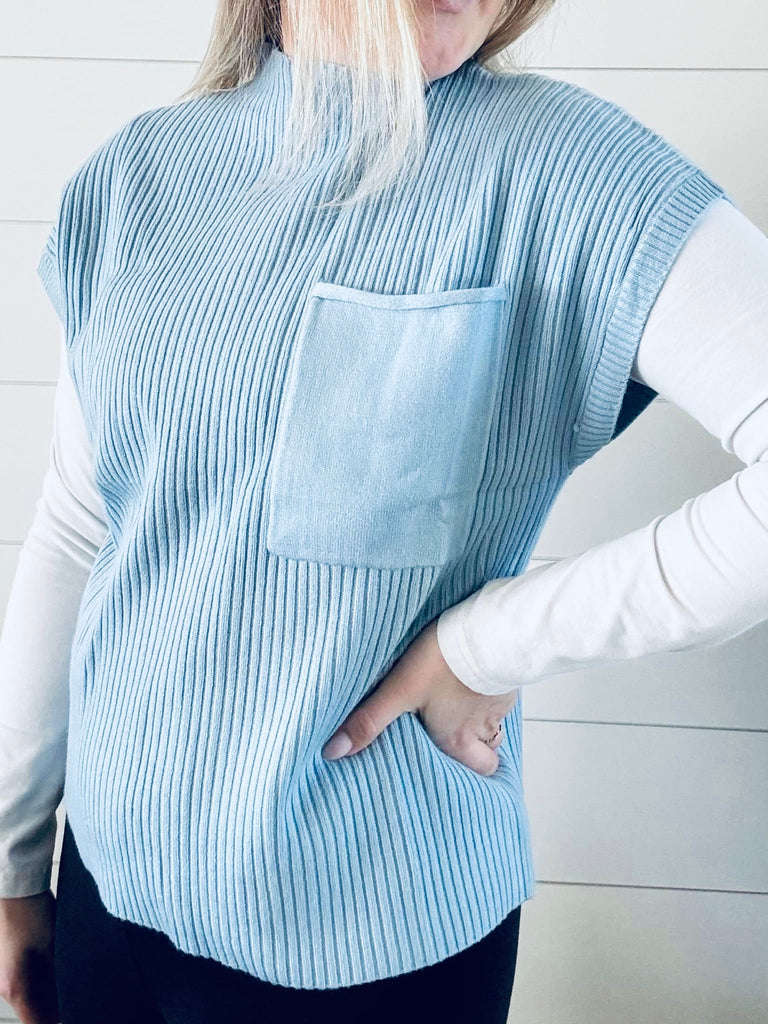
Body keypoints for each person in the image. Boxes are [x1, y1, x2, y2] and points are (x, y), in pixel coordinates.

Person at [1, 1, 767, 1021]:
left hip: (376, 948)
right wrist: (13, 855)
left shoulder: (574, 175)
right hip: (105, 894)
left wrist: (484, 646)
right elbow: (78, 526)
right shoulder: (136, 176)